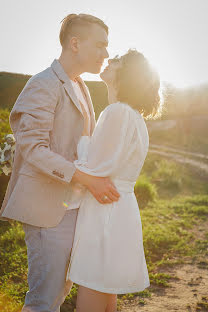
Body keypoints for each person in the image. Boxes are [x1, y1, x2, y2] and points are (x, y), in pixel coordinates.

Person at [0, 14, 120, 312]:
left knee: (58, 295)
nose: (106, 53)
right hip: (47, 211)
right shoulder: (43, 84)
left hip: (75, 209)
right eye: (101, 45)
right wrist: (86, 179)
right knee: (43, 301)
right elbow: (32, 148)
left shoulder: (79, 85)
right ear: (75, 43)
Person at [66, 49, 162, 312]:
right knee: (105, 296)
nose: (110, 60)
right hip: (119, 209)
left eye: (118, 60)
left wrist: (79, 141)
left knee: (92, 294)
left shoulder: (117, 111)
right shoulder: (133, 116)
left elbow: (95, 168)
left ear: (127, 74)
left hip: (104, 210)